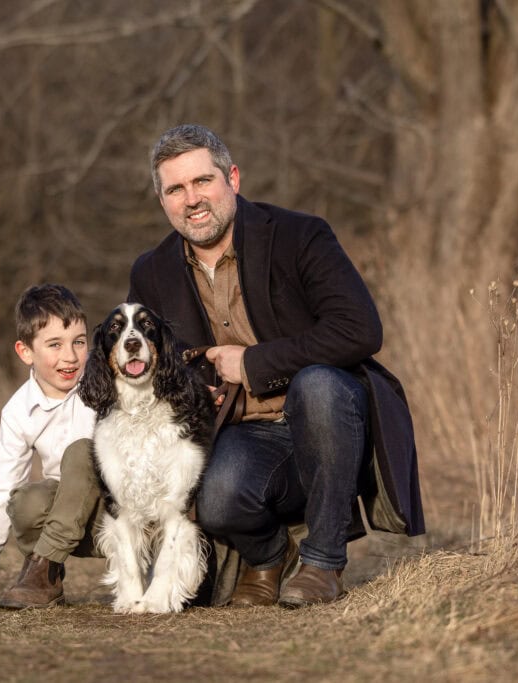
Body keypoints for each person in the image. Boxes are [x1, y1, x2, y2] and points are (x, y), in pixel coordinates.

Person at [128, 124, 425, 608]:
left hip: (329, 416)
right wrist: (187, 389)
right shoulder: (151, 271)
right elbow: (146, 365)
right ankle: (268, 554)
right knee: (219, 499)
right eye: (175, 189)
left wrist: (254, 362)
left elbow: (360, 330)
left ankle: (323, 563)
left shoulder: (299, 235)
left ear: (233, 179)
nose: (192, 199)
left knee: (319, 386)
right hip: (245, 432)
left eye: (203, 181)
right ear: (163, 201)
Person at [0, 284, 102, 610]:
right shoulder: (18, 411)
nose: (70, 356)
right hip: (71, 521)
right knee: (24, 502)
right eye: (54, 345)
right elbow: (4, 486)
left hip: (115, 512)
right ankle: (47, 577)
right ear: (25, 352)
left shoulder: (108, 383)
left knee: (83, 452)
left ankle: (148, 560)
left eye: (79, 341)